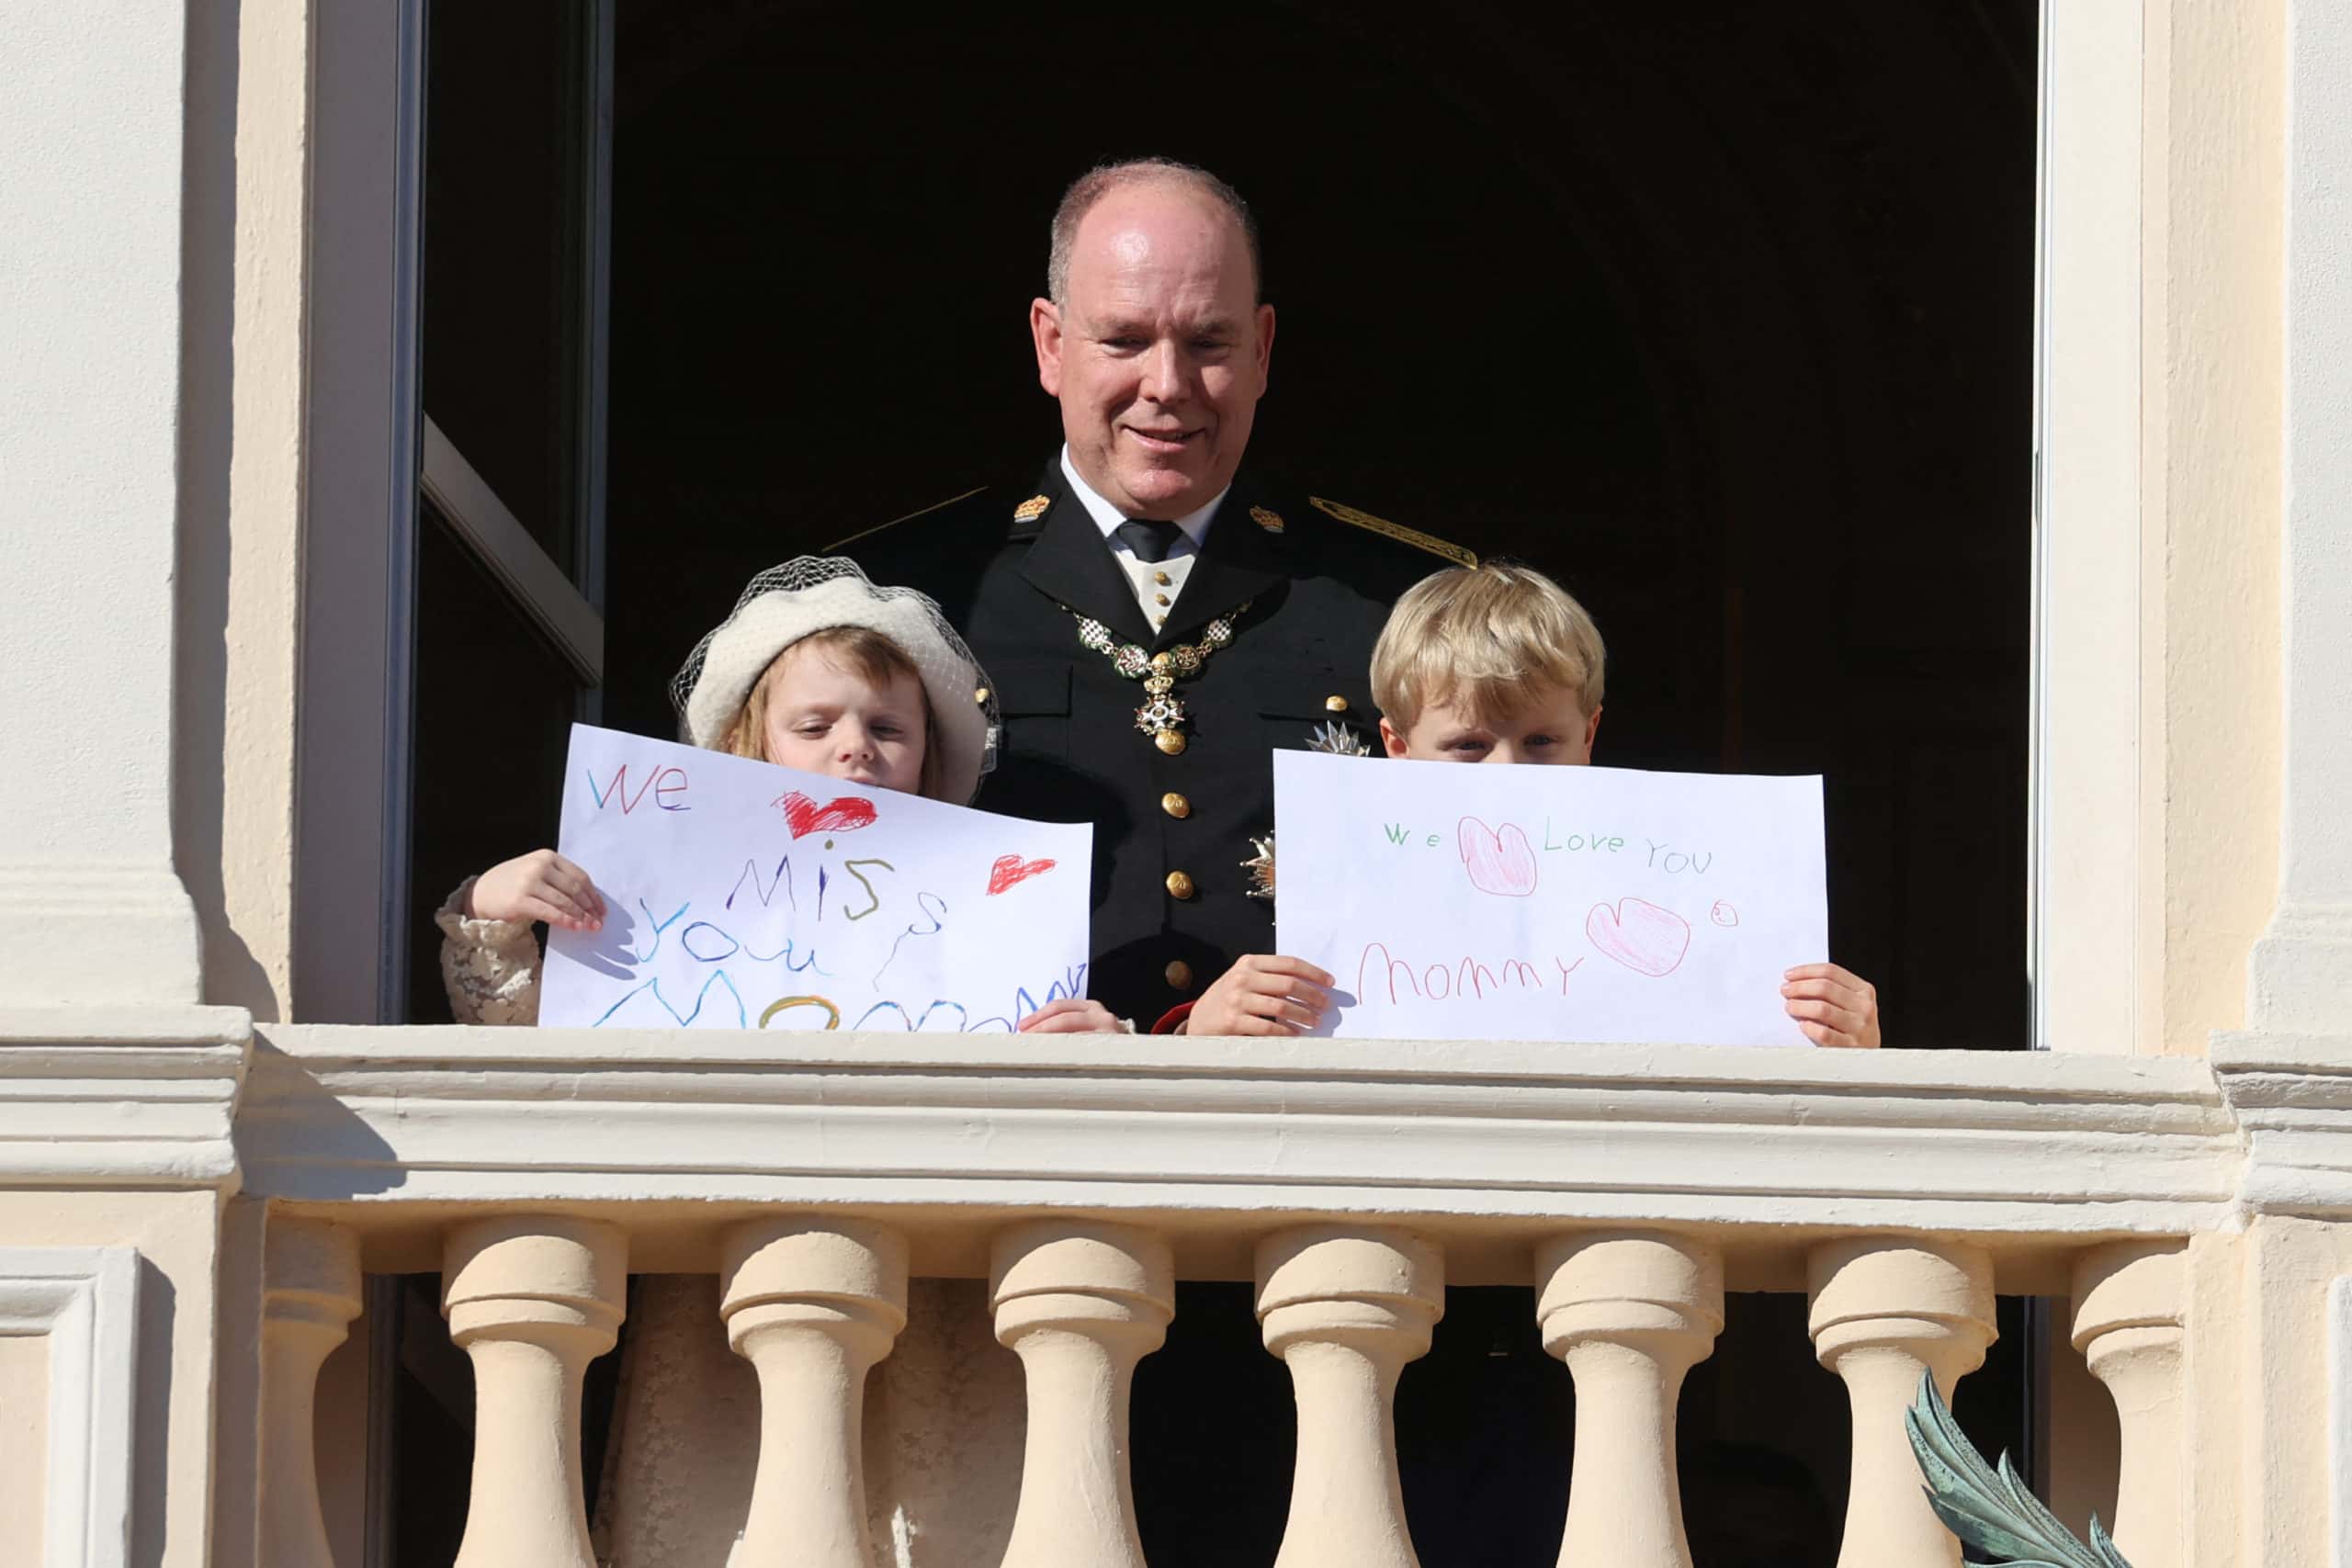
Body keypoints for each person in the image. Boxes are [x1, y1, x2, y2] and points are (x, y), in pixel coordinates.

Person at [836, 157, 1470, 1026]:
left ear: (1263, 351)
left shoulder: (1401, 603)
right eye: (1125, 340)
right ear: (1052, 345)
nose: (1167, 386)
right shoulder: (896, 598)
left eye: (1208, 343)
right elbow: (772, 881)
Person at [1172, 562, 1884, 1047]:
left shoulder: (1674, 873)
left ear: (1590, 734)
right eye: (1469, 746)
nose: (1509, 773)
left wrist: (1846, 1042)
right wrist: (1200, 1035)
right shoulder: (1342, 898)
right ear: (1396, 745)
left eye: (1541, 740)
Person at [435, 555, 1124, 1032]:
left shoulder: (990, 920)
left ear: (928, 760)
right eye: (814, 725)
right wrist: (490, 914)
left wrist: (1095, 1051)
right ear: (750, 744)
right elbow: (526, 1045)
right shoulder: (657, 894)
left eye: (887, 727)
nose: (854, 745)